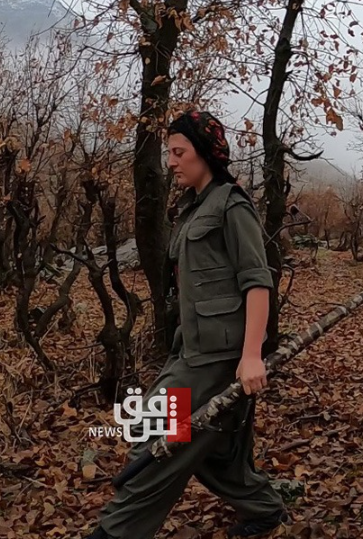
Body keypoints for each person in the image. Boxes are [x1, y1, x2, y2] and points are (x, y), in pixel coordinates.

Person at [85, 111, 287, 539]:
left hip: (217, 358)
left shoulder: (232, 205)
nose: (171, 162)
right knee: (215, 447)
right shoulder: (191, 209)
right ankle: (264, 508)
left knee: (157, 441)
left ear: (206, 153)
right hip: (191, 350)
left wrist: (252, 355)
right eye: (169, 153)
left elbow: (257, 282)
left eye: (179, 153)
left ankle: (115, 532)